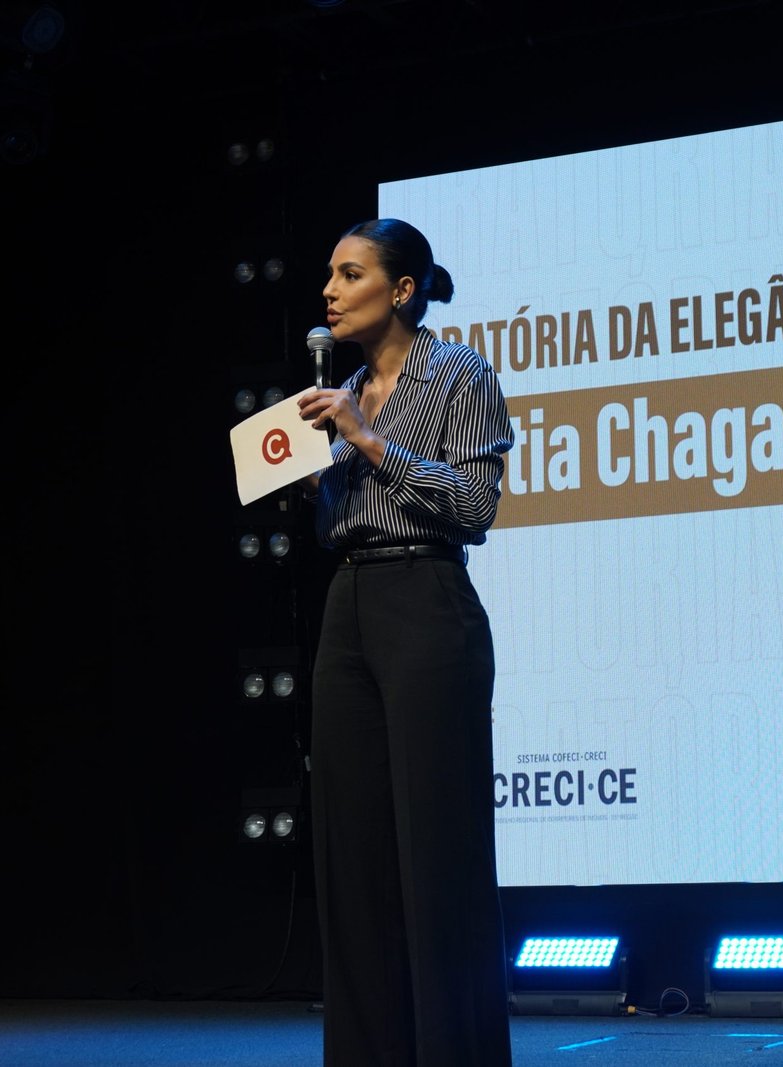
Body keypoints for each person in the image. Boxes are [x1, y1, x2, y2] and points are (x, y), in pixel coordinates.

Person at [297, 218, 514, 1063]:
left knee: (437, 853)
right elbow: (335, 528)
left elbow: (475, 508)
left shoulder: (458, 370)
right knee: (353, 855)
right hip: (349, 605)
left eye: (349, 274)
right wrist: (322, 476)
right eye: (328, 274)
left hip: (427, 598)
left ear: (401, 291)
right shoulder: (342, 387)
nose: (329, 290)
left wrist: (370, 443)